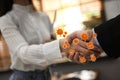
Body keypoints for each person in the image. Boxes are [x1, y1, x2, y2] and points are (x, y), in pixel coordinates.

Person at [0, 0, 101, 80]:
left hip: (47, 74)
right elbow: (23, 53)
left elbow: (55, 51)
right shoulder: (6, 20)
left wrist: (76, 52)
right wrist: (61, 44)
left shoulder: (43, 16)